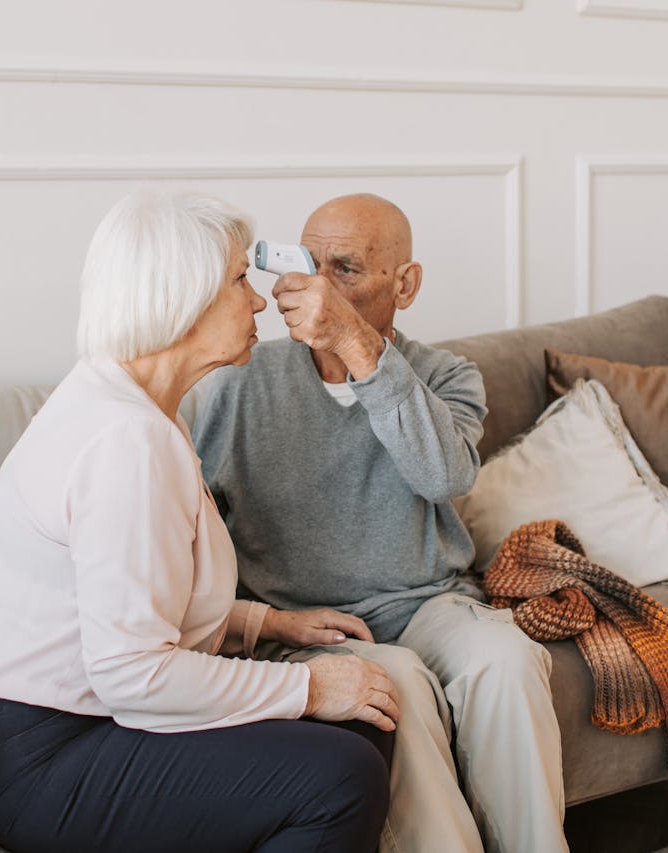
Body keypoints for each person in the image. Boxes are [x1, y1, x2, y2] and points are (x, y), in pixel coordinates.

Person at [0, 191, 402, 853]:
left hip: (69, 719)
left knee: (363, 723)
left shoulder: (135, 405)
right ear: (182, 298)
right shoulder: (125, 441)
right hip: (43, 754)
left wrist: (264, 623)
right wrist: (308, 683)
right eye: (241, 280)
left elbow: (134, 597)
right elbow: (131, 674)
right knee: (342, 774)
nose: (261, 301)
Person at [188, 193, 569, 853]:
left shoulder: (447, 376)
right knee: (397, 685)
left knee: (508, 660)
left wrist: (357, 347)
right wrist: (258, 624)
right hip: (309, 618)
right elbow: (190, 529)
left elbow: (444, 475)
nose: (321, 289)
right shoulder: (239, 381)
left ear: (405, 284)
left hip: (429, 601)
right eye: (310, 266)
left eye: (346, 270)